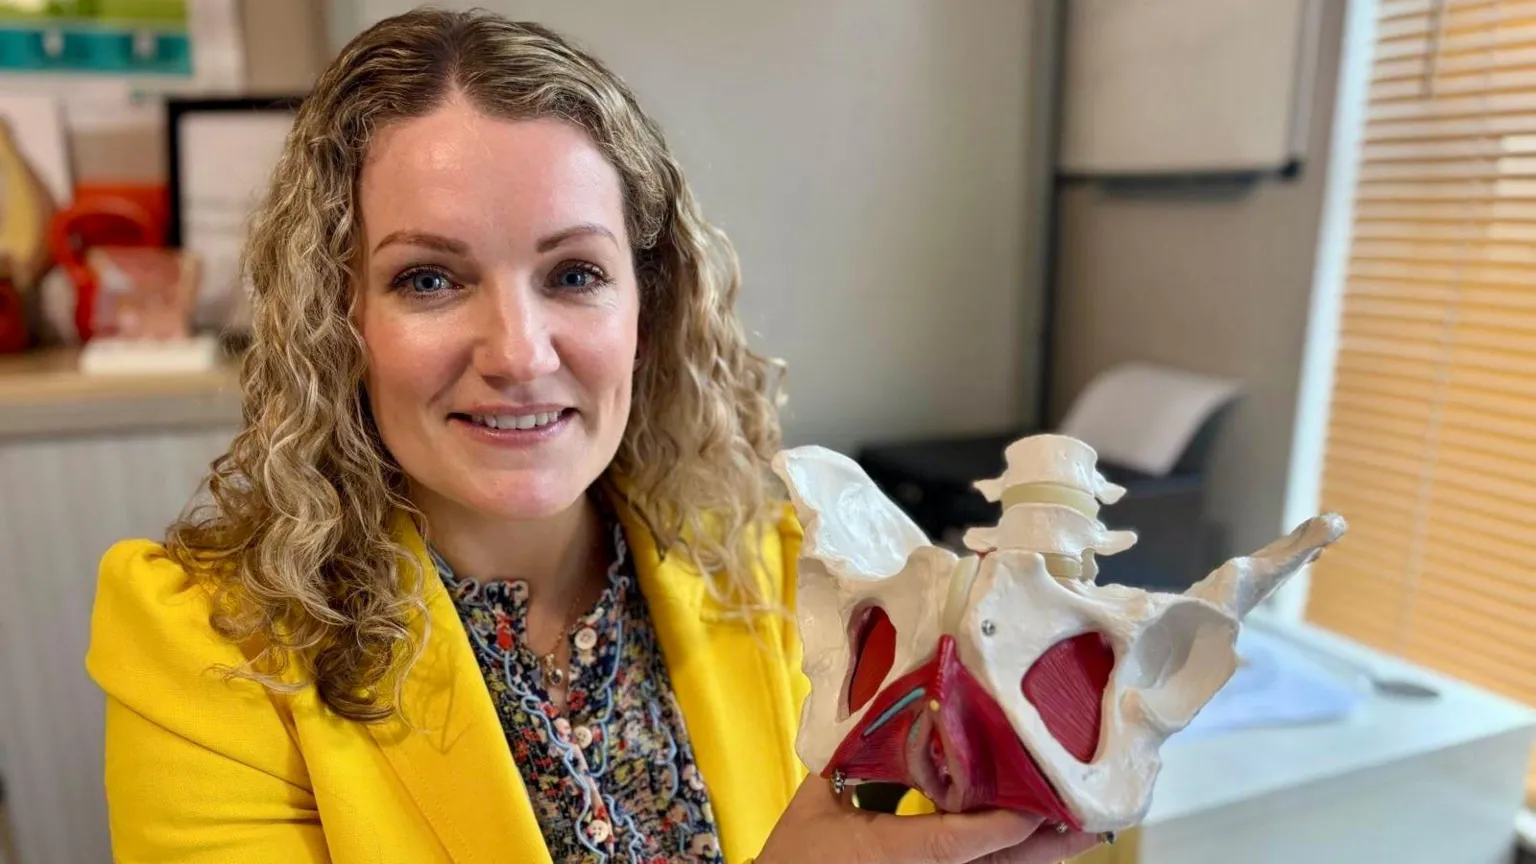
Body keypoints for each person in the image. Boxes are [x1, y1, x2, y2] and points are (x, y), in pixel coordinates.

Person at [85, 8, 1105, 864]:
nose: (520, 353)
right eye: (429, 279)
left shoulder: (783, 571)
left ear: (646, 308)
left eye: (573, 274)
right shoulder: (209, 652)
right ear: (336, 320)